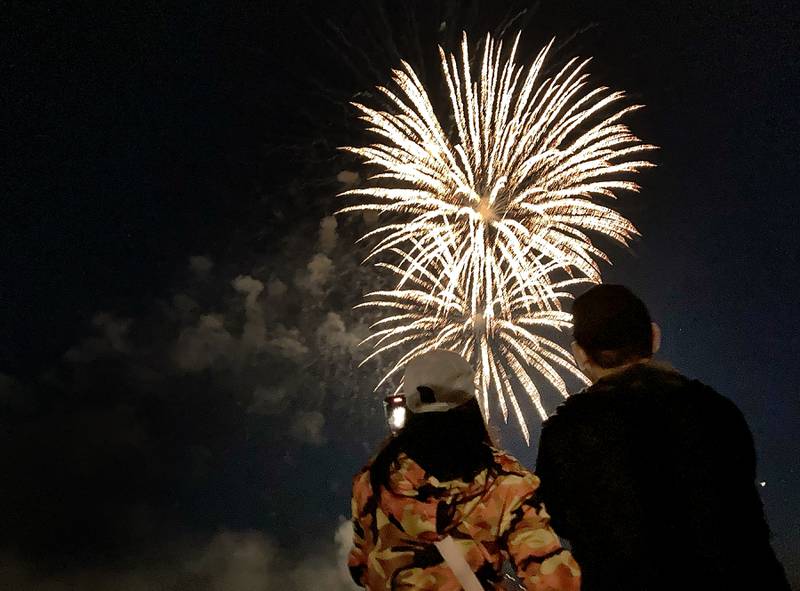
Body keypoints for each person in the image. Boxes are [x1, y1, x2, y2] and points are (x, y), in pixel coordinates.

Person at [535, 284, 790, 591]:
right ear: (654, 337)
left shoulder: (565, 432)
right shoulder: (716, 410)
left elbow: (558, 519)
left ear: (580, 355)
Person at [348, 349, 580, 590]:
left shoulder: (373, 480)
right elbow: (554, 581)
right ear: (470, 405)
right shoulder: (506, 483)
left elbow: (360, 565)